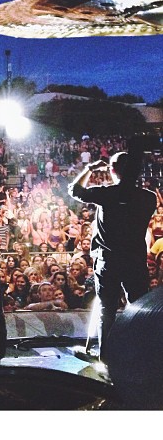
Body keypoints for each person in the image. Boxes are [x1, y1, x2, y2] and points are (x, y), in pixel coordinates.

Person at [68, 148, 157, 363]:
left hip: (109, 260)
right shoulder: (149, 198)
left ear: (114, 170)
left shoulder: (106, 193)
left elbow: (75, 190)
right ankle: (138, 355)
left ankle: (105, 357)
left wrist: (89, 169)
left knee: (107, 309)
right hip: (135, 260)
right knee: (138, 308)